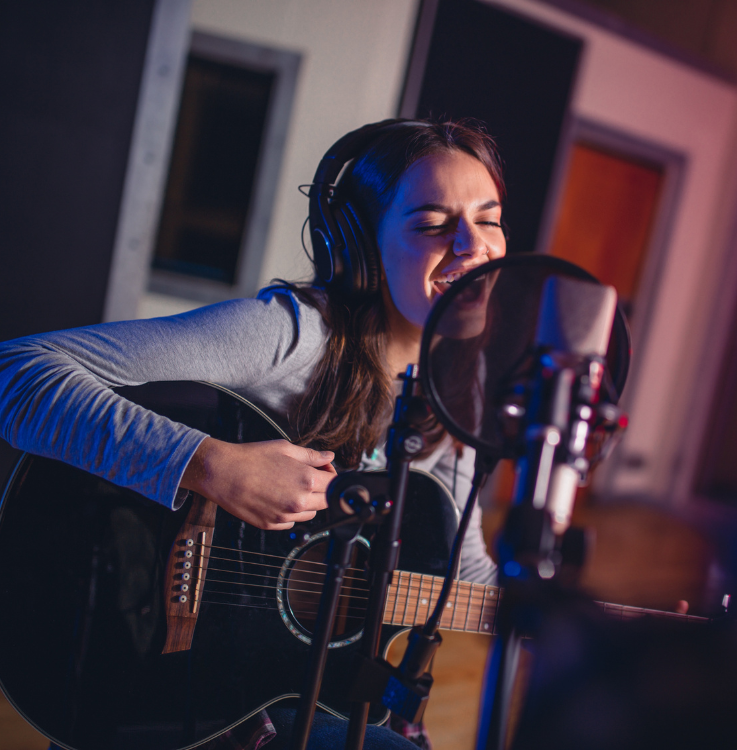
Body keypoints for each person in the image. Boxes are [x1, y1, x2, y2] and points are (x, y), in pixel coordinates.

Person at [0, 118, 507, 749]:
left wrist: (584, 614)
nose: (472, 245)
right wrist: (212, 466)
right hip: (179, 678)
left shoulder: (463, 380)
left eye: (488, 219)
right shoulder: (292, 336)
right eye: (433, 223)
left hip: (289, 682)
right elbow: (16, 372)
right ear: (361, 244)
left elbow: (462, 570)